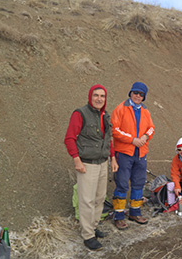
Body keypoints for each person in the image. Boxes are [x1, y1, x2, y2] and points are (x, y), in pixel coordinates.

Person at [64, 84, 119, 251]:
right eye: (96, 95)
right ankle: (88, 235)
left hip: (103, 163)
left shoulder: (105, 116)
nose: (99, 98)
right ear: (90, 96)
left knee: (99, 198)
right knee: (86, 200)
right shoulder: (80, 114)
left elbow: (107, 140)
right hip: (87, 164)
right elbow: (69, 138)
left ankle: (94, 228)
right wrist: (76, 160)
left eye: (102, 96)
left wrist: (113, 158)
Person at [111, 82, 155, 229]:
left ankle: (135, 212)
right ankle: (118, 215)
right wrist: (132, 140)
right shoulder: (121, 108)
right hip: (124, 153)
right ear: (130, 93)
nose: (138, 96)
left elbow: (151, 128)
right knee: (122, 183)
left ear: (144, 97)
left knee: (138, 182)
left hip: (141, 153)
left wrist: (145, 137)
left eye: (141, 94)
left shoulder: (145, 111)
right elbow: (115, 130)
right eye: (135, 93)